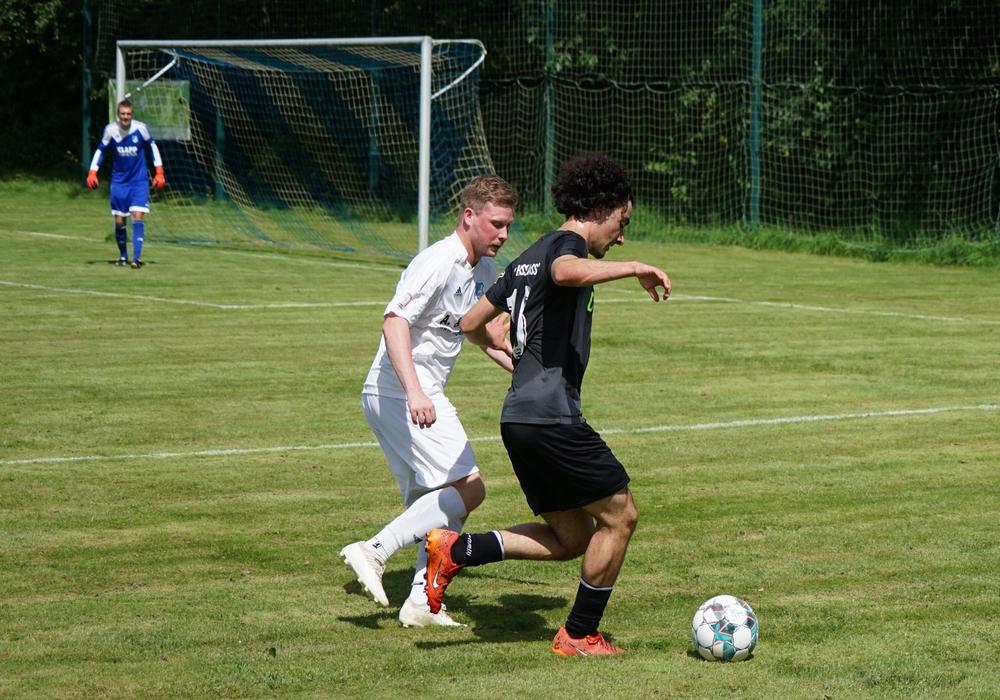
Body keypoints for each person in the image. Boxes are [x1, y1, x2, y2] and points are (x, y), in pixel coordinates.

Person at [425, 153, 671, 655]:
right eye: (622, 222)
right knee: (620, 516)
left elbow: (470, 323)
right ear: (599, 209)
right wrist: (635, 268)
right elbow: (565, 271)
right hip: (551, 417)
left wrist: (508, 353)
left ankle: (458, 548)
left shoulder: (525, 257)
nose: (621, 237)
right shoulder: (564, 248)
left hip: (519, 417)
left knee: (572, 536)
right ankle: (579, 634)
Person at [341, 174, 518, 628]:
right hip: (401, 391)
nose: (503, 234)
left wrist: (522, 370)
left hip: (399, 395)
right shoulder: (439, 260)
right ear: (469, 216)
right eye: (496, 224)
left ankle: (422, 601)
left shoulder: (484, 272)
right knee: (470, 488)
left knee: (438, 503)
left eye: (508, 226)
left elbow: (475, 331)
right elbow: (394, 322)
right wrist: (416, 392)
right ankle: (374, 550)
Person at [87, 100, 165, 268]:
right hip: (119, 182)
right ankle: (123, 256)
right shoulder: (111, 130)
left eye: (128, 114)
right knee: (120, 220)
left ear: (132, 114)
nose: (125, 117)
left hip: (139, 181)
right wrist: (93, 172)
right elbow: (101, 150)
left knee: (138, 215)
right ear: (118, 114)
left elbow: (152, 146)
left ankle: (136, 259)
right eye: (122, 114)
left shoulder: (140, 129)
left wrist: (159, 171)